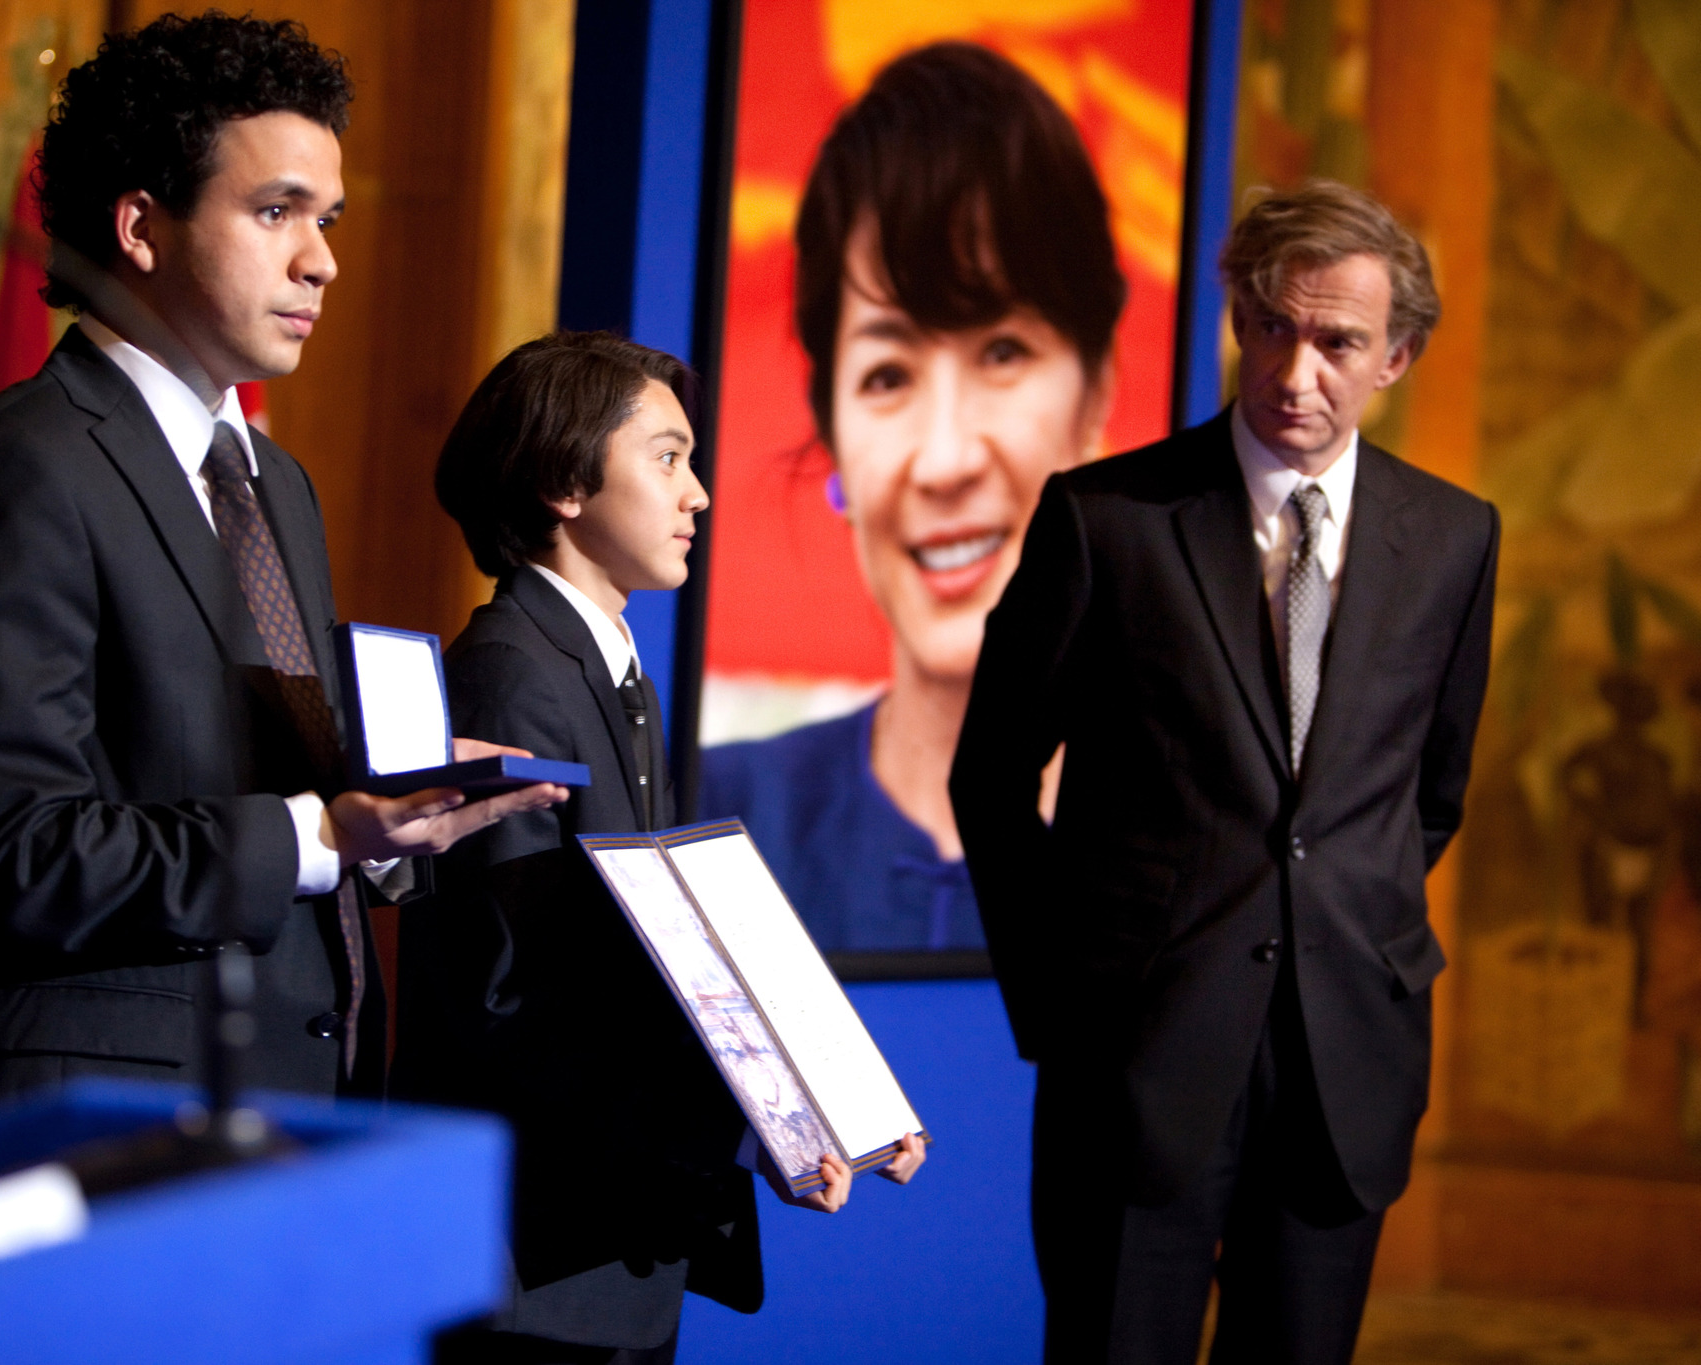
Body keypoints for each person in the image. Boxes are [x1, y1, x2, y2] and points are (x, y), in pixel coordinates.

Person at [0, 14, 561, 1101]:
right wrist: (318, 833)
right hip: (106, 1120)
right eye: (275, 210)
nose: (323, 260)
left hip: (296, 1103)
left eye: (326, 217)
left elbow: (277, 795)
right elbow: (13, 858)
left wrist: (388, 821)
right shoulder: (16, 469)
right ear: (142, 227)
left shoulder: (271, 482)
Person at [951, 180, 1499, 1364]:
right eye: (1270, 327)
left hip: (1344, 1061)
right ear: (1241, 323)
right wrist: (1059, 1004)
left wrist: (1344, 922)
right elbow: (989, 776)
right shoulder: (1107, 519)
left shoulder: (1456, 540)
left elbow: (1429, 794)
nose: (1294, 371)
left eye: (1337, 342)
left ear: (1394, 356)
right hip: (1133, 1059)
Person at [408, 331, 925, 1365]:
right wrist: (759, 1127)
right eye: (666, 457)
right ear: (563, 480)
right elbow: (521, 995)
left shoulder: (604, 672)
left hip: (608, 1242)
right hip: (537, 1260)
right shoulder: (514, 676)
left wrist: (824, 1106)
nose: (696, 495)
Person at [700, 43, 1121, 953]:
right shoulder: (710, 823)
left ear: (1096, 397)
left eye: (1002, 351)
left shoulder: (1198, 844)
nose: (942, 460)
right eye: (888, 373)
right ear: (832, 424)